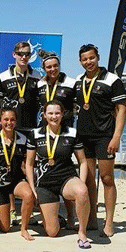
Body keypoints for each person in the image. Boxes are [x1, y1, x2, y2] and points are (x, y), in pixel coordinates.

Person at [75, 44, 126, 237]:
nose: (88, 62)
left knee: (107, 178)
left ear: (98, 57)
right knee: (88, 180)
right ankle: (91, 220)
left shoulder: (112, 79)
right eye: (84, 59)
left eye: (91, 58)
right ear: (80, 61)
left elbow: (122, 109)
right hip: (83, 136)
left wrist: (116, 136)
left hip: (105, 136)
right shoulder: (79, 81)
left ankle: (109, 222)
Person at [25, 100, 91, 248]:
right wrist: (32, 188)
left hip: (66, 179)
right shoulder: (35, 134)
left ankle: (82, 232)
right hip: (45, 183)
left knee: (82, 192)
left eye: (57, 113)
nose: (54, 116)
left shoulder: (72, 133)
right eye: (50, 113)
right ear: (44, 115)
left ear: (62, 115)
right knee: (52, 232)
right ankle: (57, 219)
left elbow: (83, 162)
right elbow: (29, 164)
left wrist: (82, 183)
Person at [0, 41, 41, 225]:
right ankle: (12, 210)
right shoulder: (3, 76)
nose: (24, 57)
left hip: (30, 129)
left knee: (30, 169)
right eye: (20, 54)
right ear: (14, 55)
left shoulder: (37, 76)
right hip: (10, 128)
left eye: (27, 54)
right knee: (9, 168)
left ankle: (30, 209)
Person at [37, 49, 77, 228]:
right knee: (44, 171)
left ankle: (70, 215)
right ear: (44, 68)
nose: (52, 69)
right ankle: (46, 212)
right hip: (45, 131)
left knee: (65, 171)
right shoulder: (39, 84)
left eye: (55, 66)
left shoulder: (71, 83)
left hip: (65, 131)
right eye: (48, 67)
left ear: (59, 66)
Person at [0, 107, 35, 241]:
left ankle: (24, 229)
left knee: (28, 195)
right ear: (0, 121)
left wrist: (32, 185)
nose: (9, 123)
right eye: (6, 119)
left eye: (12, 120)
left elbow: (26, 164)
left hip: (16, 180)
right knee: (5, 228)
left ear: (16, 122)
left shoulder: (23, 139)